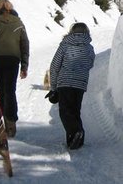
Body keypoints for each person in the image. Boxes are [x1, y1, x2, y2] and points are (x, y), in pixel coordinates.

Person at [47, 22, 95, 150]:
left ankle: (75, 131)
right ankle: (76, 141)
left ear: (71, 31)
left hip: (65, 82)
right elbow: (90, 64)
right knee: (75, 111)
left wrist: (53, 87)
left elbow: (54, 66)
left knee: (65, 112)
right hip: (80, 84)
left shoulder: (64, 45)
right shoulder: (89, 48)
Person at [0, 0, 29, 138]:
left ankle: (1, 123)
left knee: (1, 91)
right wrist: (24, 65)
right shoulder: (19, 23)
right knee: (10, 90)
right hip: (13, 60)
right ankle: (10, 125)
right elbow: (24, 44)